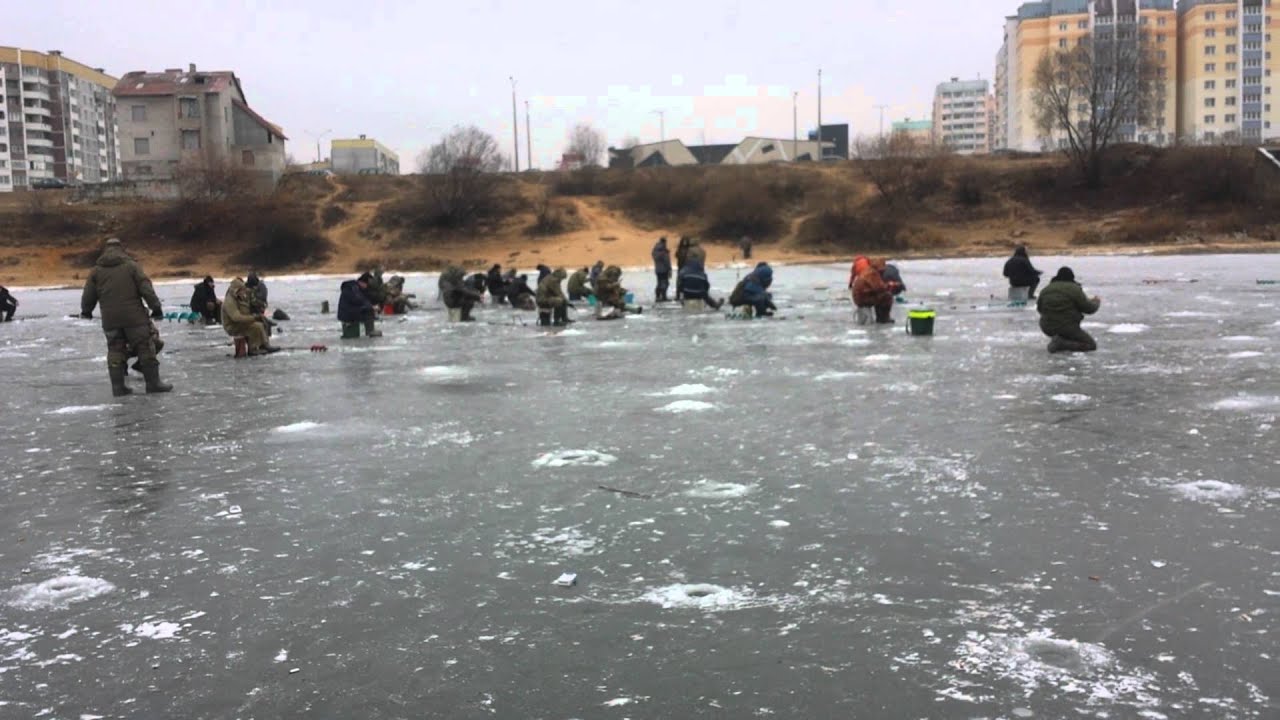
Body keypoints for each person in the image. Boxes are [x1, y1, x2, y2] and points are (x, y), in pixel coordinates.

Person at [79, 238, 171, 396]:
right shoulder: (131, 267)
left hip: (110, 319)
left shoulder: (96, 271)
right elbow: (146, 288)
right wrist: (156, 308)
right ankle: (153, 384)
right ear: (121, 249)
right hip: (134, 318)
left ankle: (118, 387)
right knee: (145, 347)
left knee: (115, 350)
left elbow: (88, 295)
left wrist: (86, 311)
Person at [1037, 267, 1101, 353]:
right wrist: (1096, 301)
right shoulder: (1074, 288)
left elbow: (1040, 309)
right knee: (1091, 345)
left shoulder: (1046, 289)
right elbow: (1089, 309)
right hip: (1067, 327)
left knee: (1064, 332)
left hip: (1047, 327)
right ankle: (1061, 343)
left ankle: (1060, 339)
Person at [223, 277, 278, 355]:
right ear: (237, 290)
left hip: (240, 323)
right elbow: (236, 317)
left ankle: (264, 345)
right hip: (232, 326)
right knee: (256, 326)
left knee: (262, 322)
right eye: (242, 290)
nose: (244, 291)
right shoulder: (229, 301)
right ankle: (253, 349)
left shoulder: (239, 297)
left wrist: (256, 315)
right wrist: (253, 318)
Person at [338, 272, 382, 337]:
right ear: (362, 282)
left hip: (351, 311)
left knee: (368, 309)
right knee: (368, 310)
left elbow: (364, 300)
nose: (367, 287)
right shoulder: (354, 288)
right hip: (348, 313)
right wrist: (371, 307)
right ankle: (370, 331)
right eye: (366, 284)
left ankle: (369, 330)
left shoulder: (357, 288)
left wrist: (372, 305)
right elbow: (358, 300)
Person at [854, 258, 895, 324]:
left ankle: (881, 317)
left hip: (861, 297)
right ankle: (883, 318)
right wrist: (890, 285)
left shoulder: (868, 270)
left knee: (880, 296)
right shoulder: (873, 273)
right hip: (863, 299)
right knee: (887, 296)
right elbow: (879, 288)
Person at [652, 237, 672, 302]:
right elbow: (667, 261)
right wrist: (669, 269)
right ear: (664, 242)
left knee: (659, 283)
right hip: (664, 269)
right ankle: (664, 296)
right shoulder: (664, 251)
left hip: (658, 269)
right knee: (665, 283)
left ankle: (658, 296)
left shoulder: (655, 250)